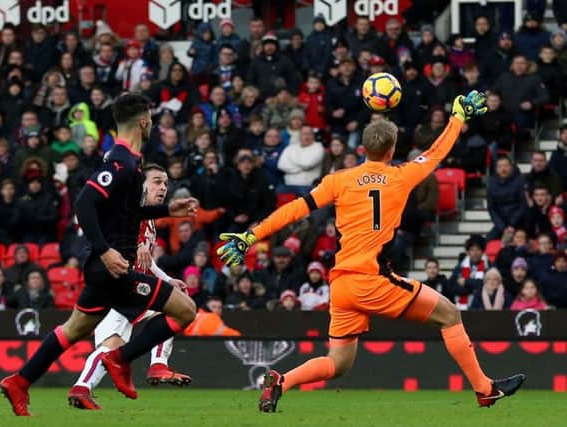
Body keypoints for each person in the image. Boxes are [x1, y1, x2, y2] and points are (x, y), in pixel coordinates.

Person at [217, 90, 524, 411]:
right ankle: (484, 388)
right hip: (371, 279)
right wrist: (457, 117)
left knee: (339, 362)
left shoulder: (338, 180)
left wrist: (251, 236)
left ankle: (282, 381)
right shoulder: (401, 176)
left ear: (363, 149)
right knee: (449, 314)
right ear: (392, 149)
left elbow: (296, 209)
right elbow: (435, 154)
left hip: (342, 285)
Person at [0, 93, 199, 416]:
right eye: (150, 119)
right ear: (144, 122)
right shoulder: (120, 162)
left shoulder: (130, 162)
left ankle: (20, 381)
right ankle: (119, 360)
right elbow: (84, 203)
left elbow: (128, 212)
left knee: (73, 329)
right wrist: (105, 251)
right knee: (185, 310)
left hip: (104, 270)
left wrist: (166, 210)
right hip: (113, 269)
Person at [68, 164, 191, 410]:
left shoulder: (149, 218)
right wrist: (136, 248)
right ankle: (157, 365)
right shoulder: (126, 211)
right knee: (169, 312)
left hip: (130, 285)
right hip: (117, 284)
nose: (163, 188)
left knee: (114, 346)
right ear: (141, 185)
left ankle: (82, 388)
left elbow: (146, 261)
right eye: (157, 181)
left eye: (166, 183)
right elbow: (109, 238)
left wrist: (166, 279)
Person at [486, 156, 527, 240]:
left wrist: (512, 224)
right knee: (488, 240)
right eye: (500, 166)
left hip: (519, 222)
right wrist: (502, 227)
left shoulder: (520, 181)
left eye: (506, 165)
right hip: (502, 224)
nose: (503, 169)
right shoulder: (491, 184)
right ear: (496, 169)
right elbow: (492, 208)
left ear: (511, 167)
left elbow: (524, 205)